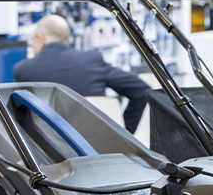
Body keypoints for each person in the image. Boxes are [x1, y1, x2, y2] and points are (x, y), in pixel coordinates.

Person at [13, 15, 149, 132]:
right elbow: (141, 90)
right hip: (95, 146)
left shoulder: (24, 70)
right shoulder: (91, 61)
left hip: (49, 149)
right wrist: (124, 134)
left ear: (40, 38)